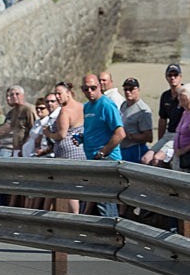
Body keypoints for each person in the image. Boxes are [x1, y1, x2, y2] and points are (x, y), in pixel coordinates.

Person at [77, 74, 125, 217]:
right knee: (98, 200)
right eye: (86, 89)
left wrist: (103, 152)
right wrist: (82, 138)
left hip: (107, 159)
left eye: (93, 88)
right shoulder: (87, 107)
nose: (90, 92)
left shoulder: (106, 104)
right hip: (92, 159)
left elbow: (120, 134)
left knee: (105, 201)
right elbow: (94, 131)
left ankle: (112, 232)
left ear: (100, 86)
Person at [44, 81, 85, 214]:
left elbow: (61, 134)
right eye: (56, 94)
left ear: (68, 93)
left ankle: (74, 216)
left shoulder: (65, 111)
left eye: (59, 93)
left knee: (69, 189)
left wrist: (48, 133)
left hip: (68, 153)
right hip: (81, 149)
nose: (57, 97)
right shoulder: (82, 106)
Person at [142, 64, 184, 167]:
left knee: (157, 159)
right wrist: (160, 140)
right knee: (145, 159)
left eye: (175, 75)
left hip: (179, 136)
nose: (173, 78)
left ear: (180, 77)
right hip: (168, 134)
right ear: (166, 77)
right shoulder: (165, 96)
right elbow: (162, 119)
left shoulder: (185, 94)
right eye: (170, 75)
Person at [118, 77, 153, 163]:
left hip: (135, 149)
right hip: (122, 148)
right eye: (125, 89)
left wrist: (129, 136)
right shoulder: (124, 105)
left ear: (138, 90)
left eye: (131, 89)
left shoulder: (143, 110)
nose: (128, 92)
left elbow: (148, 137)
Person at [171, 83, 190, 172]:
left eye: (181, 96)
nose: (178, 98)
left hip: (189, 156)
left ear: (189, 98)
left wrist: (184, 150)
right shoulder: (185, 112)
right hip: (179, 155)